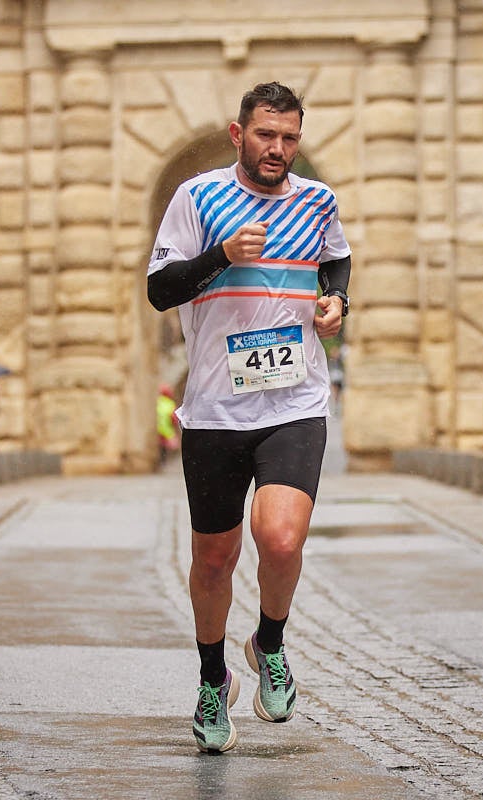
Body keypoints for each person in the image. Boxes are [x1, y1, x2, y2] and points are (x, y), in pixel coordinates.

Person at [147, 81, 351, 753]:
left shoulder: (317, 201)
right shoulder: (198, 199)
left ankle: (270, 640)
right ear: (240, 135)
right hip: (213, 408)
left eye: (290, 137)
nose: (278, 149)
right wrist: (221, 257)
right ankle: (213, 680)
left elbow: (337, 261)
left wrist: (334, 302)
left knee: (282, 539)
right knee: (214, 558)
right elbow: (159, 290)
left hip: (295, 400)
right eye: (267, 135)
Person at [156, 383, 180, 459]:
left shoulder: (158, 401)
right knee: (174, 447)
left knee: (161, 449)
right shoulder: (170, 404)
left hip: (158, 430)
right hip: (167, 430)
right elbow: (174, 418)